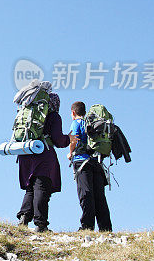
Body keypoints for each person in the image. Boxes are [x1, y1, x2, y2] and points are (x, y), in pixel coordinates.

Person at [16, 92, 70, 232]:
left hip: (26, 152)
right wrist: (69, 139)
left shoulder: (31, 114)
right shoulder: (53, 116)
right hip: (43, 153)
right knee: (41, 187)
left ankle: (24, 218)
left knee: (30, 187)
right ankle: (41, 224)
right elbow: (57, 139)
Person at [68, 101, 112, 232]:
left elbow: (74, 140)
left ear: (73, 112)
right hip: (97, 162)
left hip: (82, 162)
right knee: (99, 196)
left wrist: (70, 153)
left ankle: (87, 226)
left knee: (85, 193)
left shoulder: (76, 123)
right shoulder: (91, 123)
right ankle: (105, 227)